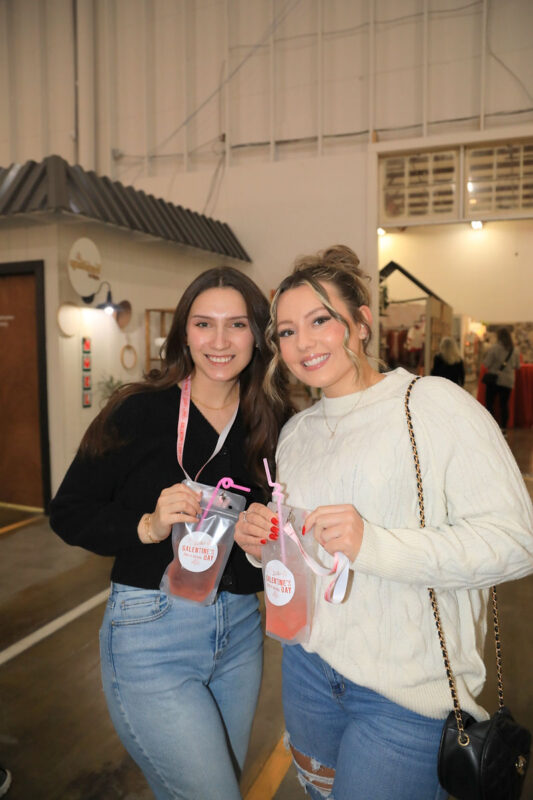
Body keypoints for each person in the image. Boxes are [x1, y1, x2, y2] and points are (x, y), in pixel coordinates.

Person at [235, 245, 533, 800]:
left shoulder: (432, 405)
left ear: (362, 321)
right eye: (287, 332)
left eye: (320, 320)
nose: (304, 343)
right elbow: (306, 555)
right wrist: (265, 543)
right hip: (308, 672)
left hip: (406, 696)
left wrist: (374, 545)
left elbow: (517, 542)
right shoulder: (297, 432)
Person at [49, 267, 290, 800]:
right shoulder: (138, 411)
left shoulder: (274, 419)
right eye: (204, 324)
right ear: (184, 332)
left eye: (237, 325)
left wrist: (265, 542)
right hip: (152, 632)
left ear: (258, 334)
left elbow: (284, 536)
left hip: (241, 635)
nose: (220, 341)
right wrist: (147, 525)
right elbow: (69, 512)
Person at [483, 327, 520, 431]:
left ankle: (491, 427)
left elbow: (486, 363)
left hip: (494, 380)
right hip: (508, 381)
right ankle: (504, 428)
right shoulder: (515, 350)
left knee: (490, 404)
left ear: (498, 336)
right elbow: (517, 366)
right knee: (504, 405)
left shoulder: (494, 348)